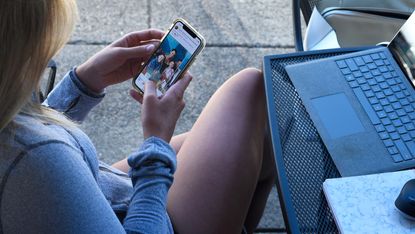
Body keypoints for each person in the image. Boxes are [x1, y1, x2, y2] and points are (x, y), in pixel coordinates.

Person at [0, 1, 276, 233]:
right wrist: (156, 143)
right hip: (146, 218)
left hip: (106, 194)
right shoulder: (37, 161)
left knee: (257, 137)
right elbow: (36, 154)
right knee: (248, 91)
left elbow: (25, 125)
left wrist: (82, 84)